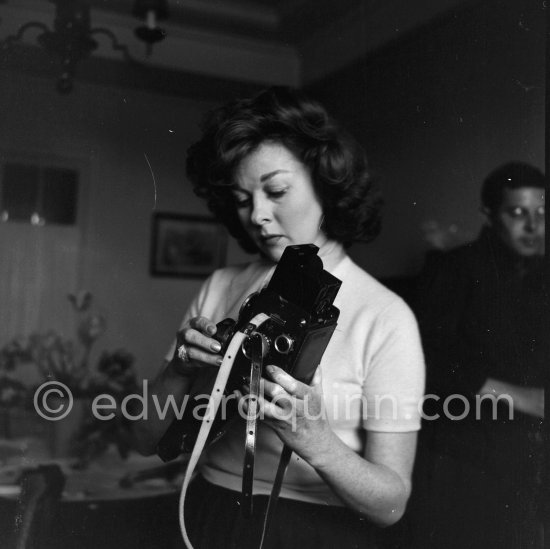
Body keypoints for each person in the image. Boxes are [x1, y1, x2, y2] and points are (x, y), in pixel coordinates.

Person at [135, 86, 425, 549]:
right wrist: (178, 370)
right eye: (242, 198)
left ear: (327, 185)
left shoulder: (385, 316)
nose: (258, 215)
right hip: (207, 514)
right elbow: (144, 439)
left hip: (314, 531)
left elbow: (391, 506)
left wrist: (318, 442)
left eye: (276, 191)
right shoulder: (221, 286)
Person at [410, 162, 545, 549]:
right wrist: (526, 399)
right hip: (461, 455)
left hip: (523, 457)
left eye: (542, 213)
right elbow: (429, 361)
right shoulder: (453, 268)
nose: (533, 227)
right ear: (489, 215)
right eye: (518, 213)